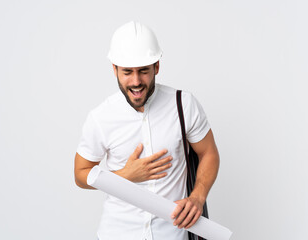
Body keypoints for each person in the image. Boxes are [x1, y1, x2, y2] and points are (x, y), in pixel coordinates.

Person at [74, 21, 220, 240]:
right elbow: (80, 174)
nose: (136, 81)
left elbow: (208, 153)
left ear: (156, 67)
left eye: (143, 71)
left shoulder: (184, 105)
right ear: (114, 69)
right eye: (127, 72)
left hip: (173, 234)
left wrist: (198, 197)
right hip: (118, 234)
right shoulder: (101, 117)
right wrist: (125, 176)